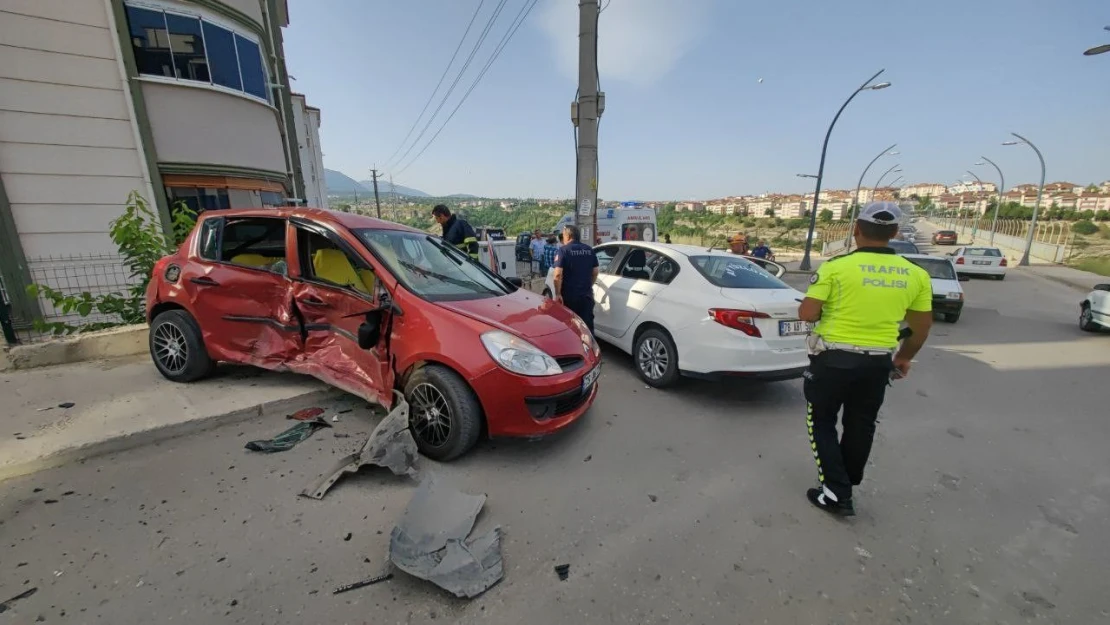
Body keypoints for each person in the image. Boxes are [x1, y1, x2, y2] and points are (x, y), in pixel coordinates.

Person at [796, 202, 933, 517]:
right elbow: (921, 328)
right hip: (877, 363)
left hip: (832, 360)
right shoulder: (916, 275)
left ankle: (835, 493)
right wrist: (904, 358)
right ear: (895, 233)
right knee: (861, 424)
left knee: (821, 421)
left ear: (856, 229)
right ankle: (846, 480)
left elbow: (807, 313)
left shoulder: (836, 267)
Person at [553, 224, 599, 334]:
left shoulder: (563, 251)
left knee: (569, 328)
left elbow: (557, 275)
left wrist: (558, 293)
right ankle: (588, 350)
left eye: (563, 235)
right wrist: (589, 285)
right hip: (586, 296)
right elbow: (595, 272)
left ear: (568, 236)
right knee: (586, 328)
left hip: (569, 298)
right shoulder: (589, 250)